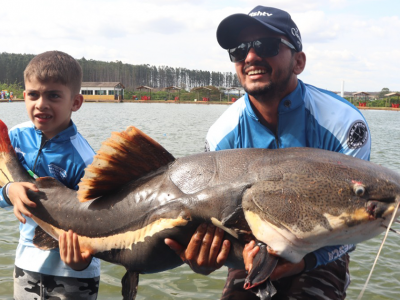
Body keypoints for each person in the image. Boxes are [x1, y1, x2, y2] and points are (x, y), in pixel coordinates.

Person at [165, 5, 371, 300]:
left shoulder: (343, 124)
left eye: (265, 45)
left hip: (319, 253)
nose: (250, 57)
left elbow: (357, 221)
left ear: (298, 61)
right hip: (248, 252)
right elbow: (216, 226)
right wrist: (211, 255)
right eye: (238, 49)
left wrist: (306, 260)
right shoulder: (221, 136)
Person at [0, 50, 101, 299]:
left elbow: (98, 223)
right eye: (33, 94)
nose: (41, 104)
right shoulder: (14, 138)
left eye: (53, 95)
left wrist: (81, 262)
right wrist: (8, 191)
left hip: (75, 275)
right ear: (24, 96)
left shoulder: (86, 160)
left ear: (75, 102)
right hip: (26, 264)